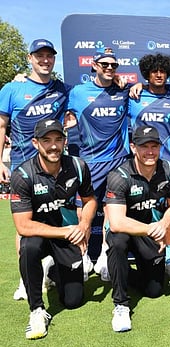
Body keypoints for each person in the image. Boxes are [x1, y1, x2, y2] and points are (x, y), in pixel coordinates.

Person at [10, 119, 97, 339]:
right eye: (46, 140)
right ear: (35, 143)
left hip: (64, 234)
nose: (53, 146)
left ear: (65, 141)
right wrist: (68, 232)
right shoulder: (23, 174)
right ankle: (37, 309)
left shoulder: (77, 165)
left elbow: (90, 200)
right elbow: (23, 225)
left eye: (58, 139)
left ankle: (52, 271)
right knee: (27, 246)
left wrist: (84, 225)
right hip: (39, 235)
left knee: (73, 301)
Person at [0, 39, 71, 301]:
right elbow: (1, 126)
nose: (45, 60)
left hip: (55, 168)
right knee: (24, 227)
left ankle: (54, 270)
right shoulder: (12, 89)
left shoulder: (61, 89)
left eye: (49, 56)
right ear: (30, 58)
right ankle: (25, 279)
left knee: (55, 218)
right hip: (23, 168)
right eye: (39, 56)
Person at [104, 125, 170, 332]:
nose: (150, 152)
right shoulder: (119, 175)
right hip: (127, 230)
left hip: (150, 233)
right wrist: (152, 230)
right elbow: (117, 222)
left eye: (155, 146)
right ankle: (120, 305)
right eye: (144, 147)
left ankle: (118, 271)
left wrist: (163, 225)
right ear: (133, 147)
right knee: (117, 241)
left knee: (154, 290)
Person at [65, 47, 132, 263]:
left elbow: (147, 90)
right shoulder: (77, 93)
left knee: (111, 210)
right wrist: (21, 78)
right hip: (89, 162)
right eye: (105, 64)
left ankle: (104, 254)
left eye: (114, 65)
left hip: (117, 160)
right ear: (94, 66)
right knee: (83, 210)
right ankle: (82, 255)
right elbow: (51, 95)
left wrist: (137, 84)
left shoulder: (124, 91)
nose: (110, 68)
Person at [125, 53, 170, 279]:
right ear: (146, 73)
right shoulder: (133, 95)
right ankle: (131, 253)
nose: (159, 74)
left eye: (163, 71)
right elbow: (107, 85)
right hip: (140, 164)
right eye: (154, 71)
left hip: (169, 163)